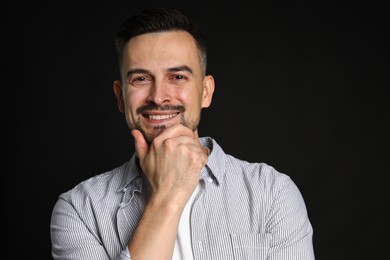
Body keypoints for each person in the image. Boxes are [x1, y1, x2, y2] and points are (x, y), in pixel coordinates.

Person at [50, 7, 315, 260]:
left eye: (177, 77)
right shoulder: (81, 210)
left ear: (205, 92)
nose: (158, 97)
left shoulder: (272, 193)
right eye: (141, 79)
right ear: (121, 97)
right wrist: (168, 194)